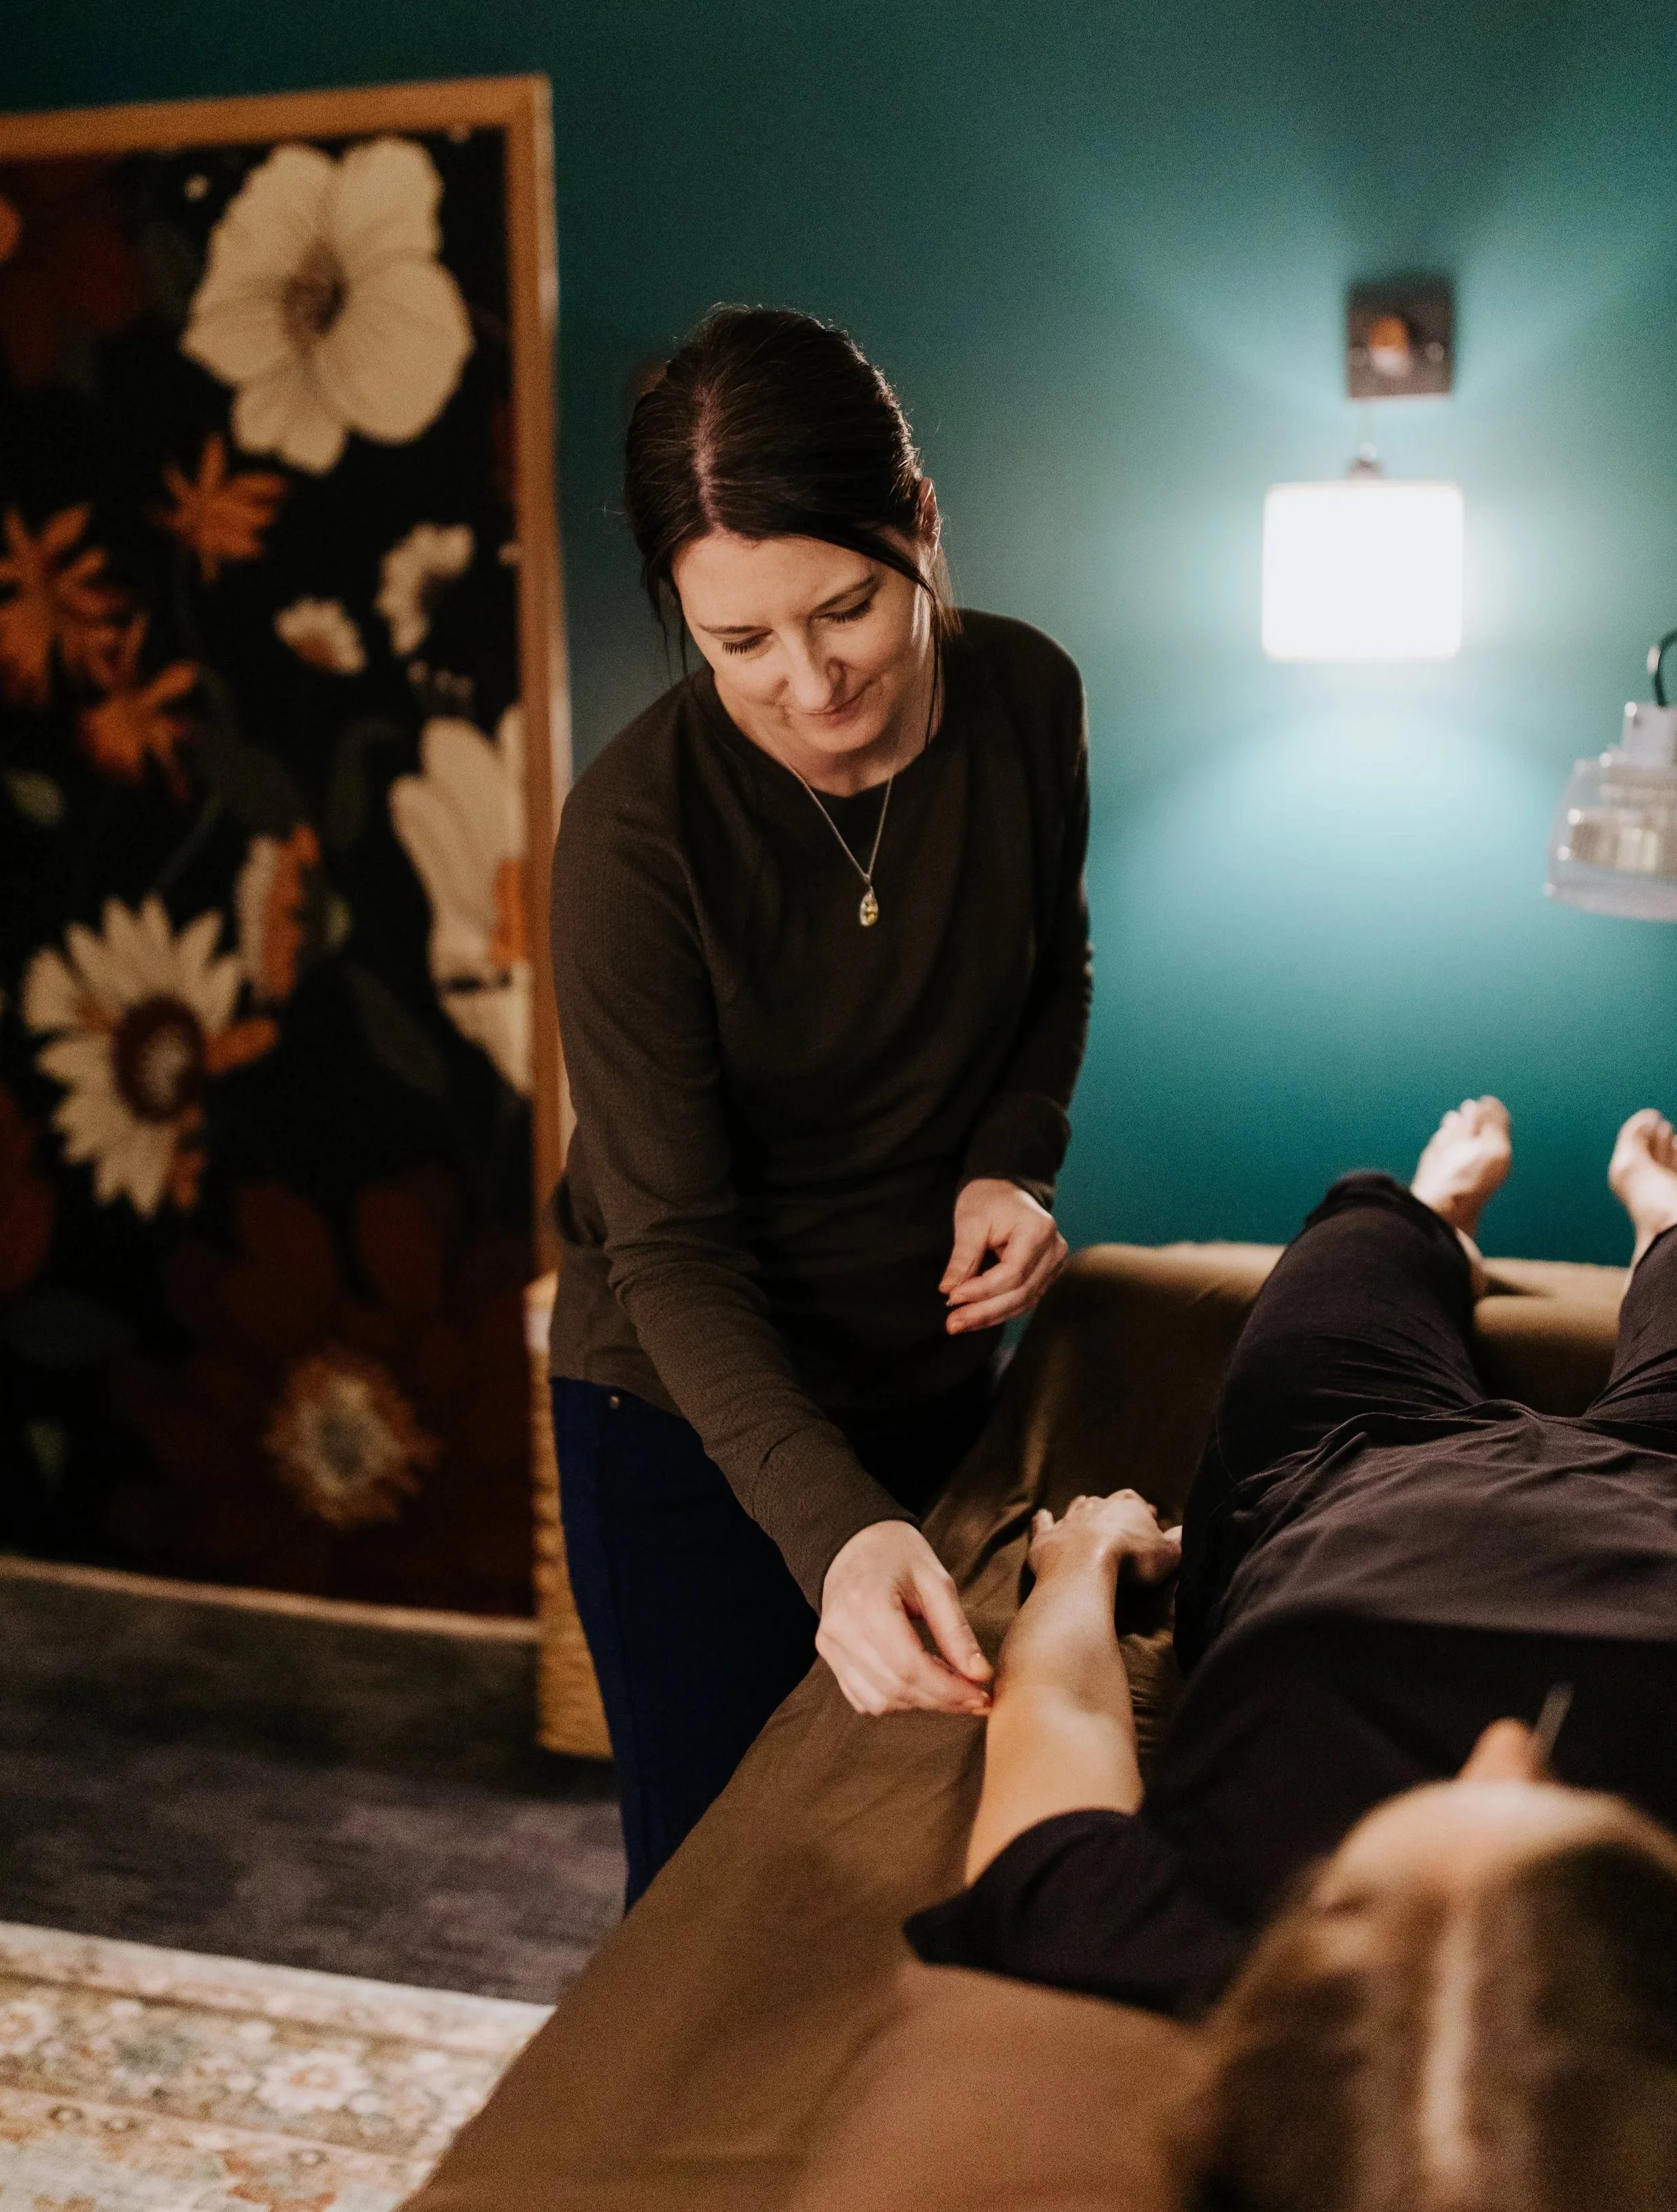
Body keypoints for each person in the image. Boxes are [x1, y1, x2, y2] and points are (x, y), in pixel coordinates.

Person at [548, 306, 1092, 1901]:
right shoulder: (635, 841)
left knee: (913, 1868)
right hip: (682, 1416)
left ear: (921, 525)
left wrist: (1012, 1163)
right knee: (721, 1904)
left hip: (926, 1378)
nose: (808, 680)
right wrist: (833, 1531)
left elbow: (1051, 965)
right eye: (737, 644)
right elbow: (670, 1249)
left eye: (844, 606)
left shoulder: (1027, 701)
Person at [909, 1098, 1677, 2207]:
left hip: (1342, 1472)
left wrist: (1084, 1564)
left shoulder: (1141, 1934)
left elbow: (1062, 1721)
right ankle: (1661, 1223)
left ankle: (1436, 1217)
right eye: (1579, 1850)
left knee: (1361, 1223)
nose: (1505, 1743)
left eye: (1358, 1887)